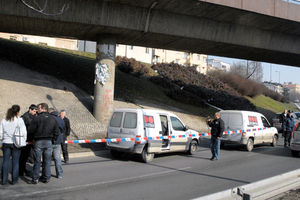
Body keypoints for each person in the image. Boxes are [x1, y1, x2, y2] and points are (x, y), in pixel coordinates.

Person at [29, 103, 59, 184]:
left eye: (38, 108)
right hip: (48, 141)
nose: (37, 110)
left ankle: (35, 178)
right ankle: (46, 177)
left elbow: (31, 130)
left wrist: (31, 140)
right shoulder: (53, 119)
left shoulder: (37, 118)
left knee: (37, 161)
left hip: (38, 141)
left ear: (43, 109)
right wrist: (53, 140)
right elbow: (57, 131)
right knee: (47, 161)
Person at [0, 105, 27, 185]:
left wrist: (2, 140)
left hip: (6, 142)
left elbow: (0, 133)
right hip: (16, 143)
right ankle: (14, 180)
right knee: (15, 162)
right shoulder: (20, 120)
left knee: (5, 161)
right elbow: (24, 132)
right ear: (18, 112)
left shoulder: (4, 120)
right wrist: (23, 140)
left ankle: (4, 180)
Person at [19, 104, 38, 177]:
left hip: (30, 139)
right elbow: (31, 124)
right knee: (23, 156)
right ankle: (21, 171)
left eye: (36, 111)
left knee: (26, 156)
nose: (35, 112)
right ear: (30, 110)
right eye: (34, 111)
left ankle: (23, 169)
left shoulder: (33, 116)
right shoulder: (25, 116)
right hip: (25, 139)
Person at [49, 108, 65, 179]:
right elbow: (63, 129)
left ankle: (47, 174)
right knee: (57, 158)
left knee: (47, 158)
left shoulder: (49, 118)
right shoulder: (60, 119)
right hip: (58, 141)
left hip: (49, 140)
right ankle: (59, 174)